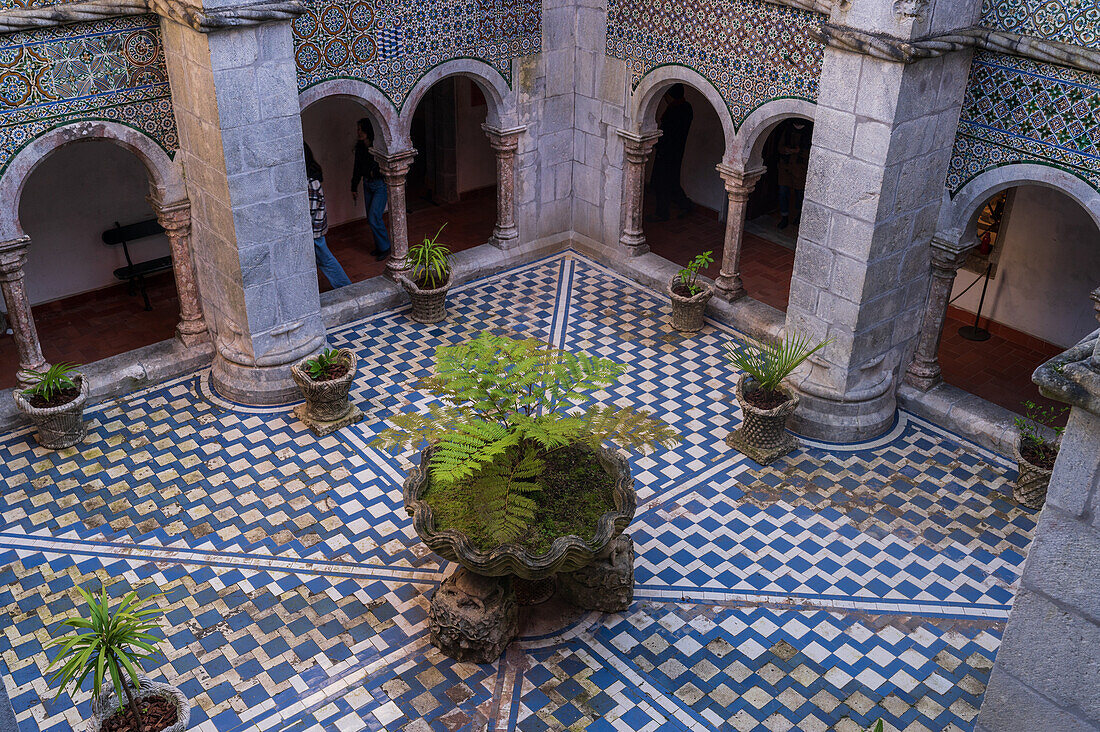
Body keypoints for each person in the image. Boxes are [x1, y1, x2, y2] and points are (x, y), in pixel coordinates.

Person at [305, 144, 352, 289]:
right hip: (316, 228)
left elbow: (310, 210)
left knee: (325, 259)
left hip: (314, 230)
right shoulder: (311, 179)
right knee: (323, 259)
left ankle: (346, 286)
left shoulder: (311, 182)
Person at [650, 83, 694, 222]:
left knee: (660, 182)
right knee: (673, 181)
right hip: (677, 152)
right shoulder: (687, 108)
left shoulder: (673, 111)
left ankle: (661, 213)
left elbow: (667, 133)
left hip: (666, 152)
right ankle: (686, 205)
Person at [350, 118, 392, 261]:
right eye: (358, 129)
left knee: (374, 216)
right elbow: (357, 168)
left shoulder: (377, 147)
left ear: (368, 130)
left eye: (361, 129)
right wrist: (353, 187)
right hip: (367, 184)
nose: (358, 132)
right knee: (371, 217)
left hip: (380, 185)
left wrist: (374, 173)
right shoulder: (361, 148)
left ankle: (385, 247)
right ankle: (380, 246)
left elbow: (385, 164)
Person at [777, 119, 812, 230]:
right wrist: (788, 150)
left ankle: (799, 216)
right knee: (783, 192)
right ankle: (784, 217)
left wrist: (798, 151)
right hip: (785, 169)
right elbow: (780, 147)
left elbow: (809, 152)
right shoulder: (787, 130)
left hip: (800, 170)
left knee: (800, 194)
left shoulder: (809, 132)